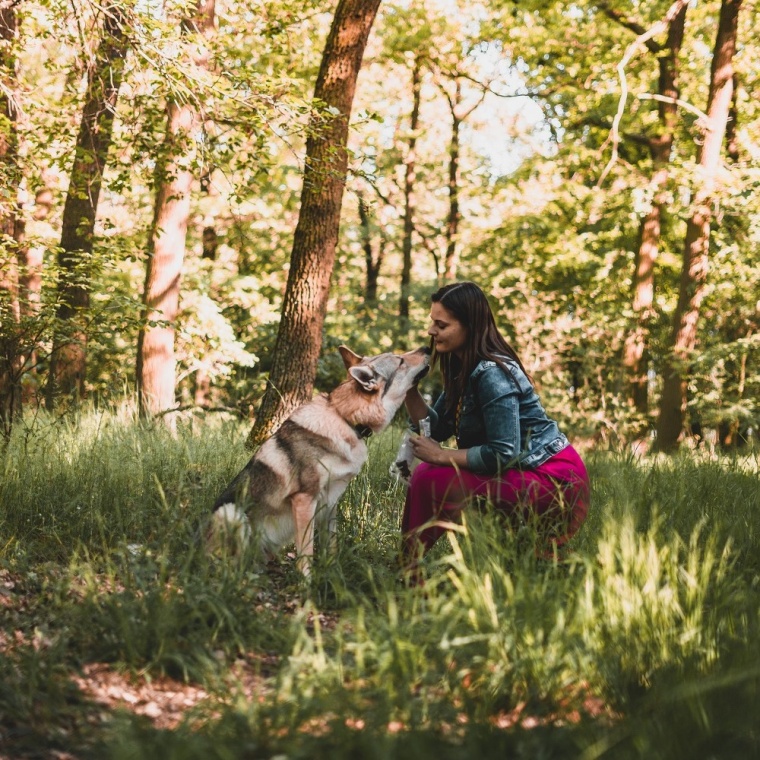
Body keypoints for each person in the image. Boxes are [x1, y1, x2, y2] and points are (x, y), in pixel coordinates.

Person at [401, 281, 589, 571]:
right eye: (432, 322)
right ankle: (409, 564)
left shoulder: (493, 373)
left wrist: (441, 455)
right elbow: (435, 430)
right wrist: (408, 388)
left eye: (441, 325)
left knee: (431, 475)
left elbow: (504, 453)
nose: (431, 331)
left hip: (555, 480)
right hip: (523, 473)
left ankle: (409, 568)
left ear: (470, 326)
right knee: (429, 473)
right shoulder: (460, 368)